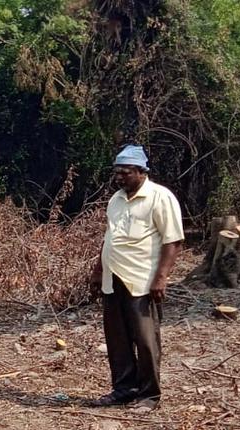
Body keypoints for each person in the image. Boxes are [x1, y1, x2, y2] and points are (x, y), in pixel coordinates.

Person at [90, 145, 183, 411]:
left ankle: (149, 395)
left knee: (145, 339)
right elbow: (110, 238)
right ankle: (123, 389)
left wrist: (161, 278)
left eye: (126, 173)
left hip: (142, 280)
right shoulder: (116, 199)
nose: (119, 178)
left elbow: (173, 241)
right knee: (117, 338)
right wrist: (98, 271)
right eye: (117, 172)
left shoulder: (160, 197)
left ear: (141, 172)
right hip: (113, 278)